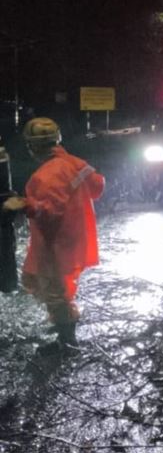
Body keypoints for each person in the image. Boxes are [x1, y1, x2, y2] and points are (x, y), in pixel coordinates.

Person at [2, 117, 104, 349]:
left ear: (33, 146)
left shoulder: (46, 175)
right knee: (62, 284)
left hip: (56, 240)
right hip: (76, 236)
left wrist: (25, 205)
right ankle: (63, 322)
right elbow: (97, 188)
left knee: (54, 288)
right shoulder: (76, 163)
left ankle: (66, 341)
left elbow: (48, 212)